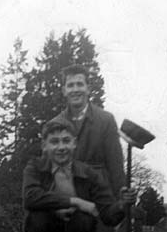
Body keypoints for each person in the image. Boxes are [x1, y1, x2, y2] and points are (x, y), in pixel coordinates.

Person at [23, 118, 136, 232]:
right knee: (37, 217)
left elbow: (108, 215)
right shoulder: (35, 168)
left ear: (74, 143)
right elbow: (30, 197)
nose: (61, 147)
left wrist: (122, 204)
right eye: (54, 142)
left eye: (66, 140)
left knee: (84, 219)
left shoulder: (90, 174)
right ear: (44, 145)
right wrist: (76, 202)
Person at [52, 64, 125, 199]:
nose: (75, 90)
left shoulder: (105, 120)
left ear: (88, 89)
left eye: (80, 84)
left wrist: (121, 201)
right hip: (68, 198)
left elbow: (116, 164)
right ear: (64, 91)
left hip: (100, 196)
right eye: (70, 85)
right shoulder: (55, 124)